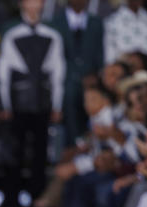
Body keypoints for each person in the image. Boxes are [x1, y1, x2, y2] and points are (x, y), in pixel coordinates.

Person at [0, 0, 64, 207]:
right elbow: (3, 72)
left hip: (42, 103)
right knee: (14, 152)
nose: (34, 5)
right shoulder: (12, 34)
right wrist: (5, 103)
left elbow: (57, 72)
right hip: (18, 102)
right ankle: (11, 201)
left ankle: (37, 202)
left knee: (39, 154)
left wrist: (57, 104)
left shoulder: (52, 35)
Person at [50, 0, 104, 148]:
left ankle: (92, 148)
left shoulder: (96, 23)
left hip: (91, 81)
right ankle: (74, 148)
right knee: (69, 98)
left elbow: (100, 54)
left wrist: (95, 76)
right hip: (64, 81)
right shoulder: (55, 22)